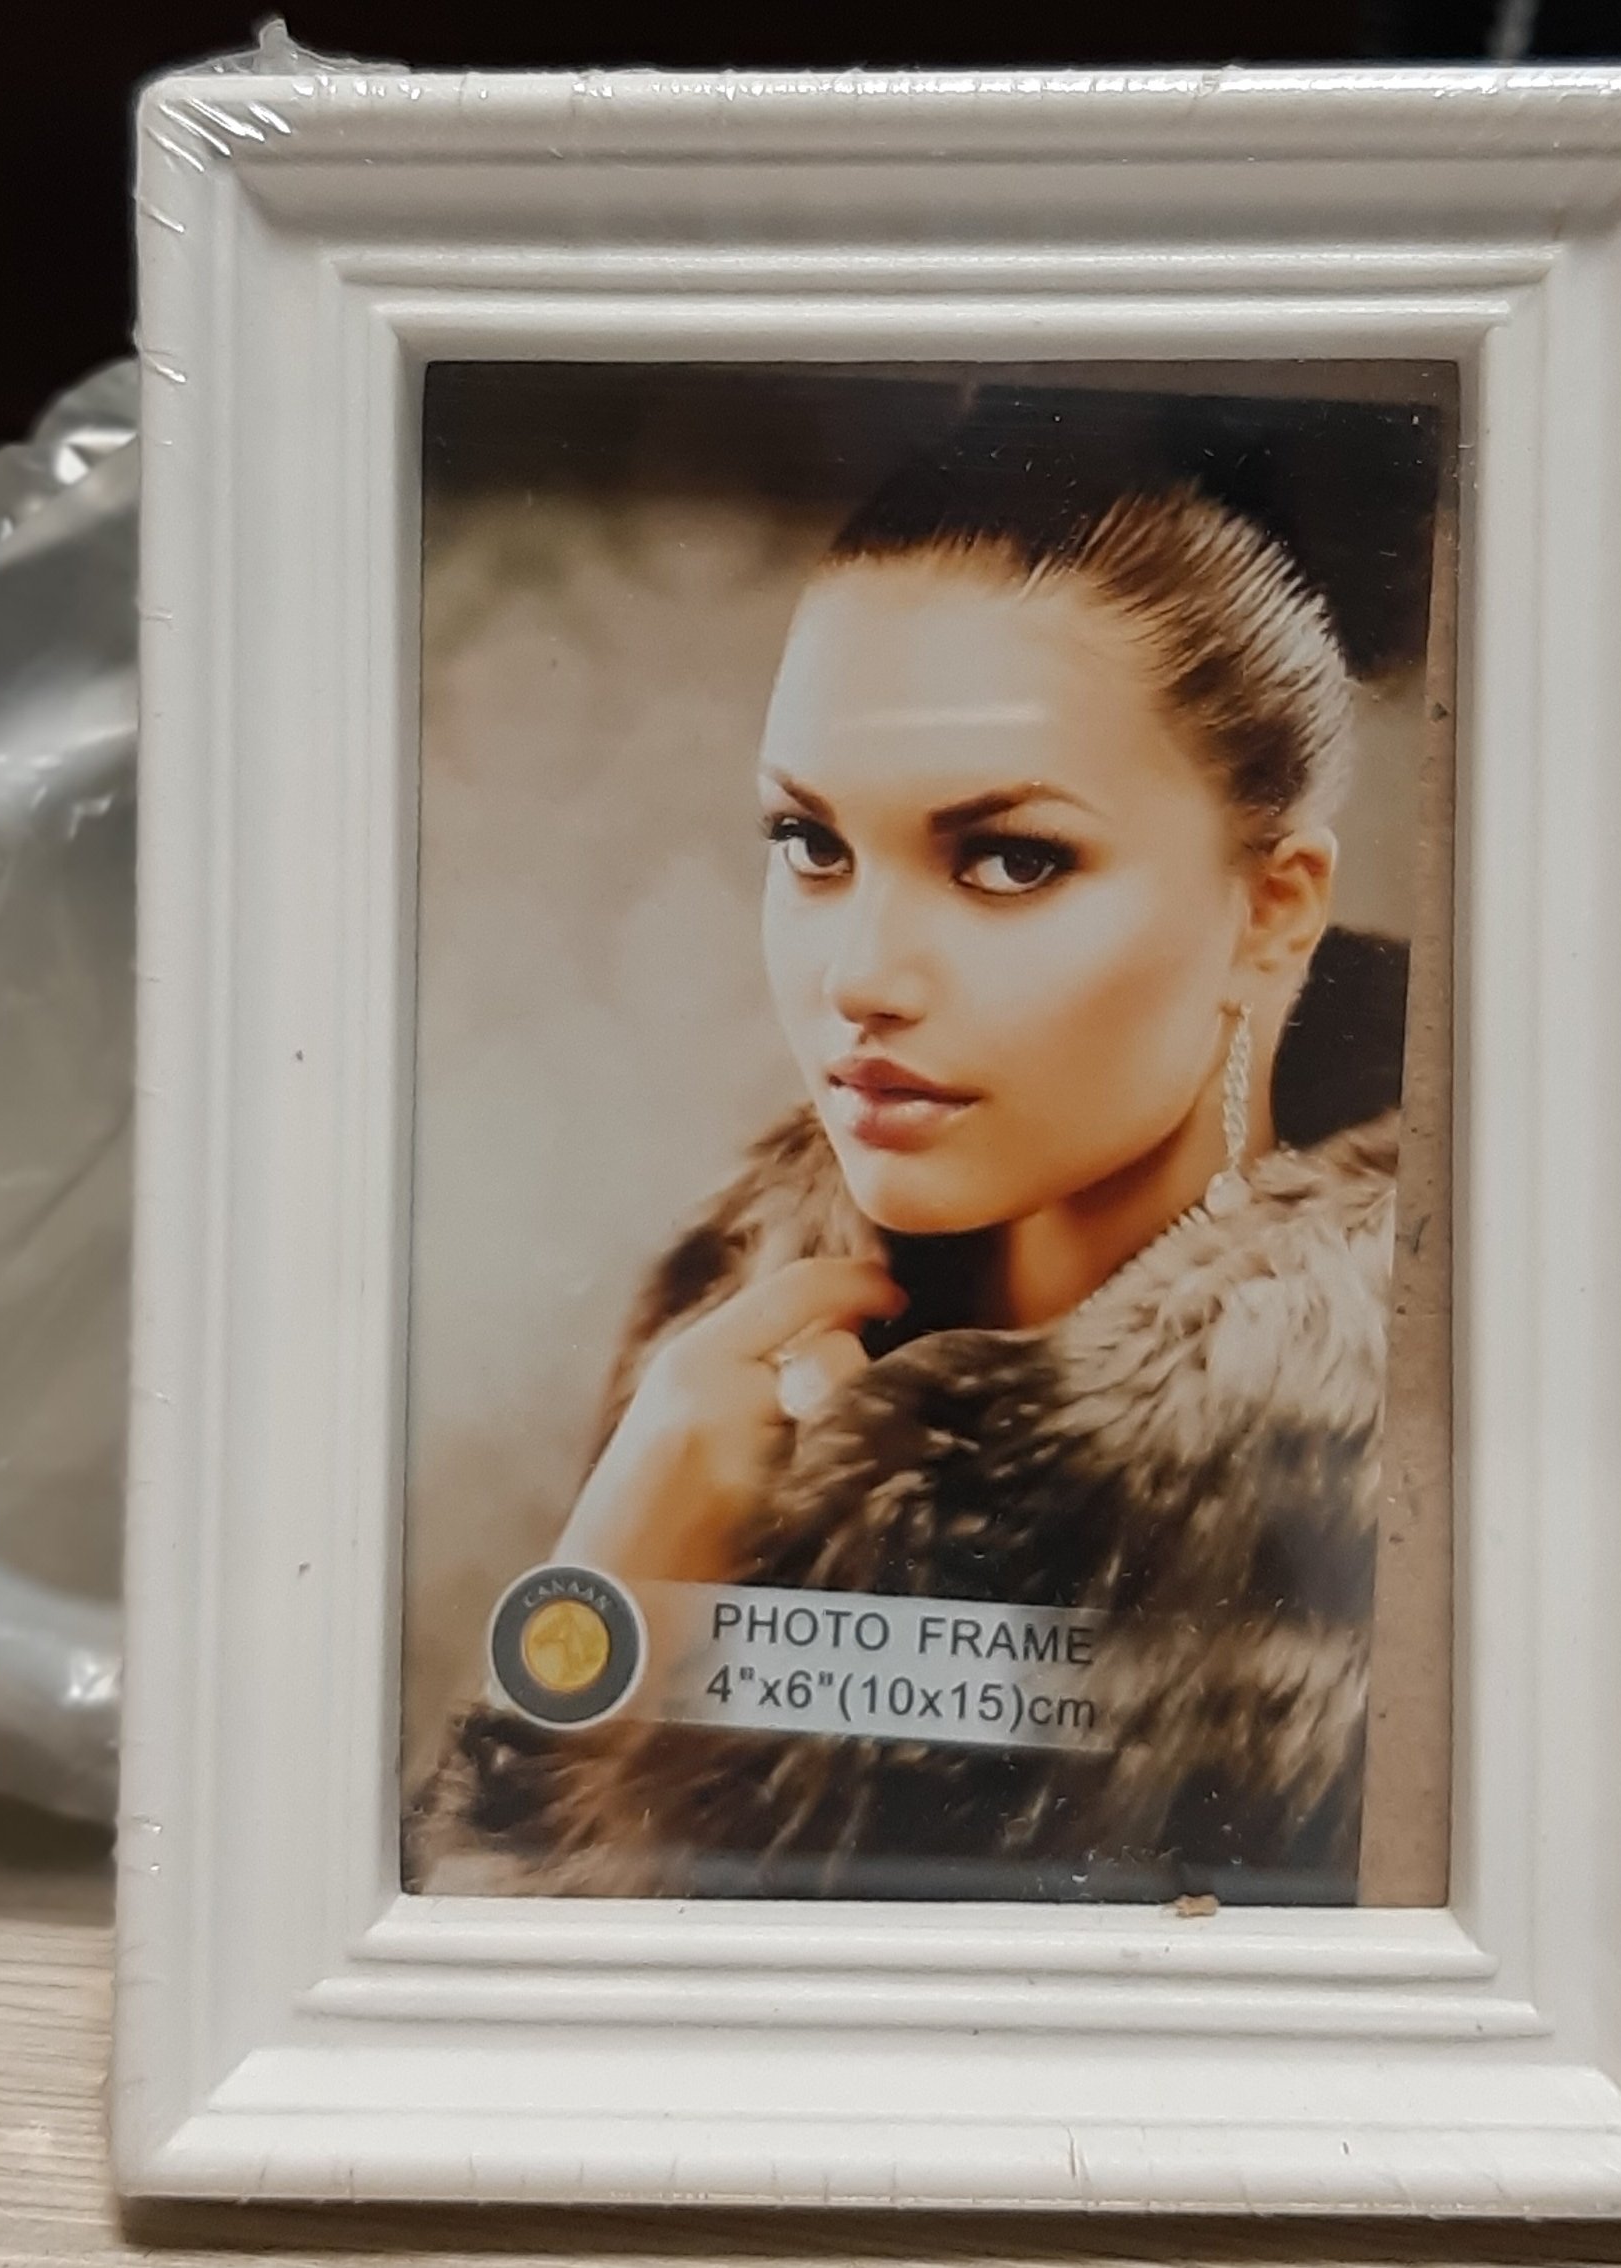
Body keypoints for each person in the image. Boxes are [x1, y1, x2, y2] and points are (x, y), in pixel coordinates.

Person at [411, 406, 1403, 1904]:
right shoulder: (730, 1335)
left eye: (1010, 859)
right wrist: (612, 1570)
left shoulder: (1386, 1448)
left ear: (1271, 911)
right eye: (811, 846)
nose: (861, 975)